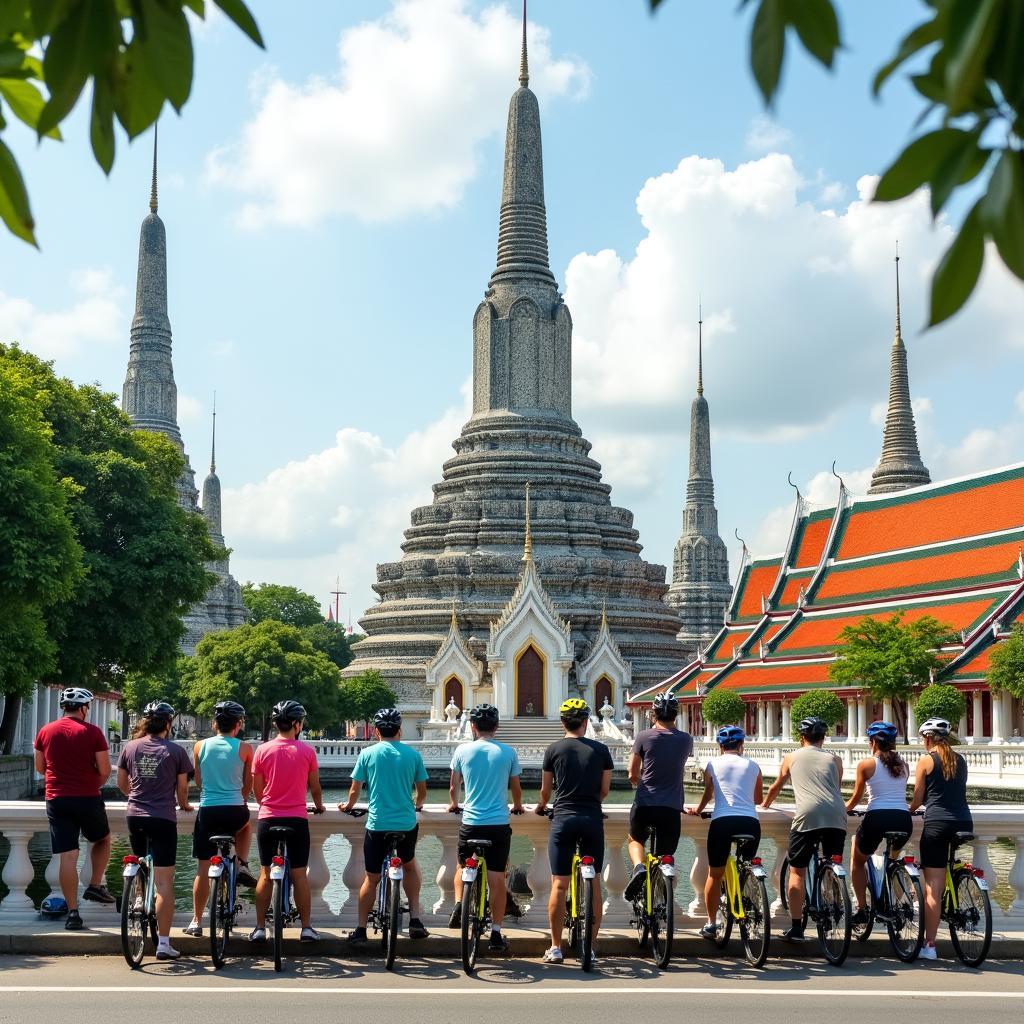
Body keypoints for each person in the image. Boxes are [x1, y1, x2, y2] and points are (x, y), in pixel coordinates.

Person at [340, 707, 430, 945]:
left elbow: (354, 790)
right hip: (406, 823)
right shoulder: (413, 755)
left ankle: (360, 929)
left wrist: (348, 806)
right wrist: (416, 805)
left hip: (378, 824)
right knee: (409, 867)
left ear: (377, 731)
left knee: (371, 878)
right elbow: (422, 793)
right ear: (399, 730)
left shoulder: (367, 754)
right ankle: (415, 920)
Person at [534, 698, 614, 966]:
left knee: (559, 884)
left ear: (562, 723)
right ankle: (590, 947)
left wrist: (542, 806)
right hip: (592, 819)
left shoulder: (554, 749)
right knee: (595, 884)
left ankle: (556, 947)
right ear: (586, 722)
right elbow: (604, 791)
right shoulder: (602, 750)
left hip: (563, 820)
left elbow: (546, 791)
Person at [116, 700, 193, 960]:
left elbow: (121, 783)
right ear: (168, 724)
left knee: (139, 863)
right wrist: (183, 805)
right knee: (163, 884)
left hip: (134, 816)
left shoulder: (131, 747)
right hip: (162, 818)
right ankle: (163, 944)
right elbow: (182, 789)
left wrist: (137, 798)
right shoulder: (176, 751)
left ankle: (138, 898)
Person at [445, 703, 525, 953]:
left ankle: (460, 903)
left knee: (462, 866)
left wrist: (454, 804)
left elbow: (453, 787)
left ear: (472, 726)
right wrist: (519, 805)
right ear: (497, 727)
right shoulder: (508, 752)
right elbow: (515, 789)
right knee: (497, 879)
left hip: (471, 822)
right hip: (498, 824)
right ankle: (497, 931)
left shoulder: (462, 751)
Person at [34, 687, 115, 930]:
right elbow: (105, 770)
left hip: (57, 799)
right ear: (83, 708)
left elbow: (40, 767)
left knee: (68, 856)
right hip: (87, 798)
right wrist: (93, 783)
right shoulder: (93, 733)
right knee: (102, 839)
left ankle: (73, 913)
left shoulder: (45, 731)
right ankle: (94, 886)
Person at [761, 715, 847, 943]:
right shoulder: (835, 759)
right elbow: (835, 789)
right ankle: (834, 909)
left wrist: (764, 805)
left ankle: (797, 927)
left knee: (797, 872)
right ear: (823, 739)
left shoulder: (791, 757)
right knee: (833, 864)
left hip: (807, 816)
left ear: (802, 738)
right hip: (836, 815)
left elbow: (777, 785)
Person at [250, 699, 325, 944]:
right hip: (296, 819)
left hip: (268, 818)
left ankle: (260, 928)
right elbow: (315, 788)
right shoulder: (306, 751)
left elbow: (257, 790)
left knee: (264, 874)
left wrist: (268, 804)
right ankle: (306, 928)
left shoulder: (262, 750)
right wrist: (320, 806)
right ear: (296, 724)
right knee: (299, 875)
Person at [183, 700, 256, 937]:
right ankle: (241, 864)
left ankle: (196, 920)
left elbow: (199, 781)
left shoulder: (199, 746)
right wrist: (239, 798)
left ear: (215, 724)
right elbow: (248, 785)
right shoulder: (245, 748)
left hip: (208, 811)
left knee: (202, 869)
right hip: (235, 810)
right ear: (238, 724)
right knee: (246, 827)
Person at [686, 726, 763, 940]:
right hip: (750, 824)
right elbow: (757, 799)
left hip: (722, 823)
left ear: (720, 746)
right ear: (741, 745)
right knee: (746, 869)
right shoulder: (754, 765)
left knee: (715, 874)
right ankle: (747, 908)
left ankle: (711, 924)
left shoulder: (712, 764)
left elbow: (708, 793)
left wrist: (698, 810)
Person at [910, 716, 973, 962]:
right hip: (964, 821)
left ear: (927, 738)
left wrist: (910, 809)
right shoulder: (961, 760)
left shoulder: (926, 760)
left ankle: (930, 945)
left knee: (933, 887)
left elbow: (918, 798)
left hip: (937, 823)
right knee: (947, 870)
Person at [624, 691, 692, 901]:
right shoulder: (686, 739)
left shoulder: (644, 736)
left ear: (653, 714)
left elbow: (632, 773)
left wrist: (637, 781)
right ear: (676, 714)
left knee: (634, 839)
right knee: (665, 858)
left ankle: (638, 867)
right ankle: (662, 903)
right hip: (671, 807)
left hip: (645, 803)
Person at [845, 720, 912, 927]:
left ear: (873, 741)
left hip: (877, 818)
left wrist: (843, 809)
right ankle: (892, 902)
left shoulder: (866, 765)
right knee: (892, 861)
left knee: (858, 860)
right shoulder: (904, 765)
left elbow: (856, 798)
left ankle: (863, 909)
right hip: (903, 820)